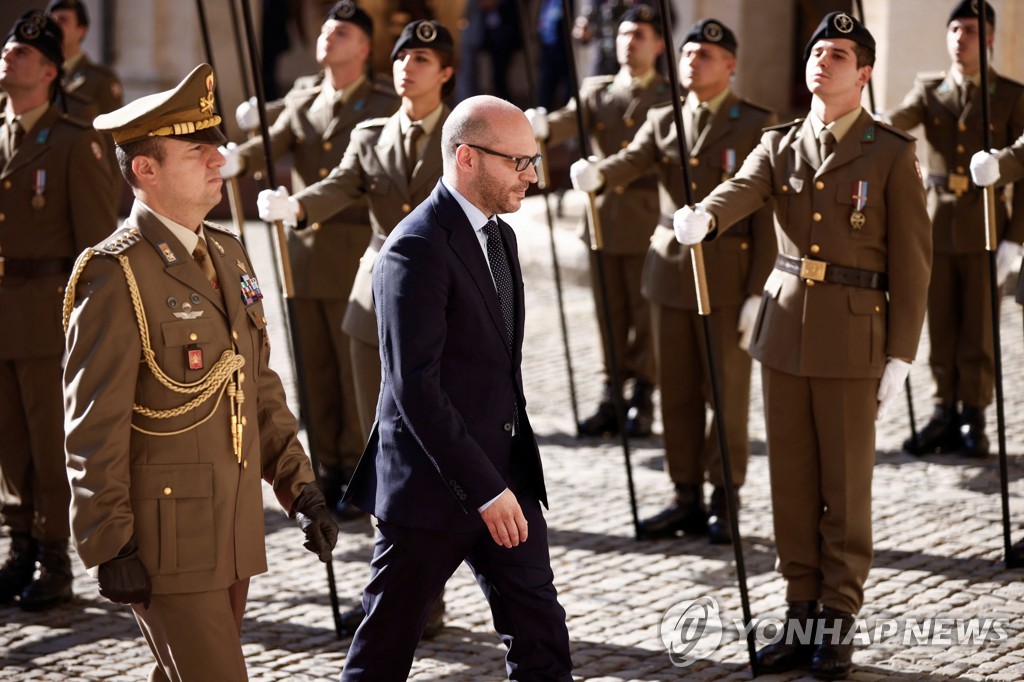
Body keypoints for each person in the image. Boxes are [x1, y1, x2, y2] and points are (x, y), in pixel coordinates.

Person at [673, 12, 931, 678]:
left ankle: (837, 623)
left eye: (839, 53)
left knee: (843, 490)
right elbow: (744, 189)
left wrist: (901, 353)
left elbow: (912, 262)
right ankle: (799, 613)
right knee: (791, 484)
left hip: (853, 337)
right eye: (817, 50)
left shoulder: (891, 152)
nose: (823, 60)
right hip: (784, 332)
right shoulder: (781, 141)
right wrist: (705, 215)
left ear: (864, 73)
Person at [63, 63, 338, 681]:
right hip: (164, 540)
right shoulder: (115, 273)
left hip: (233, 525)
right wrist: (111, 542)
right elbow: (91, 425)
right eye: (198, 150)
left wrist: (299, 487)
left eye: (215, 146)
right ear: (145, 169)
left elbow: (257, 384)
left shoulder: (228, 250)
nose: (219, 160)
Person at [334, 93, 572, 682]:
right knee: (382, 654)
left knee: (541, 636)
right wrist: (484, 490)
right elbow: (416, 389)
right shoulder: (414, 249)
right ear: (466, 157)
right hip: (430, 488)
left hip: (504, 476)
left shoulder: (499, 235)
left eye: (533, 160)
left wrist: (503, 481)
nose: (532, 176)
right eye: (517, 162)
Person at [257, 18, 455, 638]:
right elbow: (341, 185)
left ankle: (428, 593)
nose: (408, 68)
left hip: (442, 303)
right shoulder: (371, 134)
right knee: (386, 449)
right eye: (402, 58)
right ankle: (396, 588)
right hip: (374, 301)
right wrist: (297, 207)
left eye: (423, 59)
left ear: (446, 72)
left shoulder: (462, 136)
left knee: (431, 450)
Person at [571, 18, 776, 543]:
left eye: (706, 54)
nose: (694, 61)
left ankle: (723, 497)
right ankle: (684, 494)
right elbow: (632, 161)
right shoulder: (665, 119)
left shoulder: (754, 122)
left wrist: (758, 291)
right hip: (669, 272)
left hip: (728, 275)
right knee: (678, 393)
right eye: (688, 53)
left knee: (726, 394)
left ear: (730, 66)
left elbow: (765, 214)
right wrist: (596, 175)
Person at [223, 0, 399, 519]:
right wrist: (238, 156)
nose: (329, 37)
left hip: (350, 250)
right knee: (312, 364)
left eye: (342, 32)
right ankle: (325, 468)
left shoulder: (382, 103)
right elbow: (272, 141)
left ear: (364, 48)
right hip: (300, 252)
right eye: (326, 29)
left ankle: (358, 468)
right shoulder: (304, 98)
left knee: (352, 371)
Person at [0, 9, 116, 612]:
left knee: (48, 443)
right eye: (8, 49)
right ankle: (17, 546)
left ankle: (52, 557)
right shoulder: (0, 133)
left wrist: (88, 326)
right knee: (8, 442)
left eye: (21, 53)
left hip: (47, 316)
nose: (8, 57)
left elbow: (95, 247)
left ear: (48, 71)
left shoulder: (73, 141)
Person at [886, 0, 1024, 458]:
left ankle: (975, 415)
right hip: (937, 223)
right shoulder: (929, 90)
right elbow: (894, 126)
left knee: (979, 326)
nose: (960, 38)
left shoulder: (1009, 95)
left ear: (988, 38)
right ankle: (943, 410)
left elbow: (1022, 176)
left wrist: (1015, 237)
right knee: (940, 321)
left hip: (986, 221)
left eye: (970, 30)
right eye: (954, 30)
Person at [530, 4, 669, 438]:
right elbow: (566, 122)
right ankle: (612, 394)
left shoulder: (668, 97)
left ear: (659, 45)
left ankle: (642, 396)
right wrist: (537, 126)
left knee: (644, 313)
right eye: (625, 34)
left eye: (640, 36)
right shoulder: (597, 91)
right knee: (609, 312)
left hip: (646, 220)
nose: (630, 43)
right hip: (602, 218)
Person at [47, 0, 123, 181]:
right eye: (52, 21)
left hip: (83, 179)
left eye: (63, 21)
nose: (55, 28)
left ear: (81, 30)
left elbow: (112, 145)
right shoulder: (40, 76)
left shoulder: (100, 80)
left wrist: (107, 202)